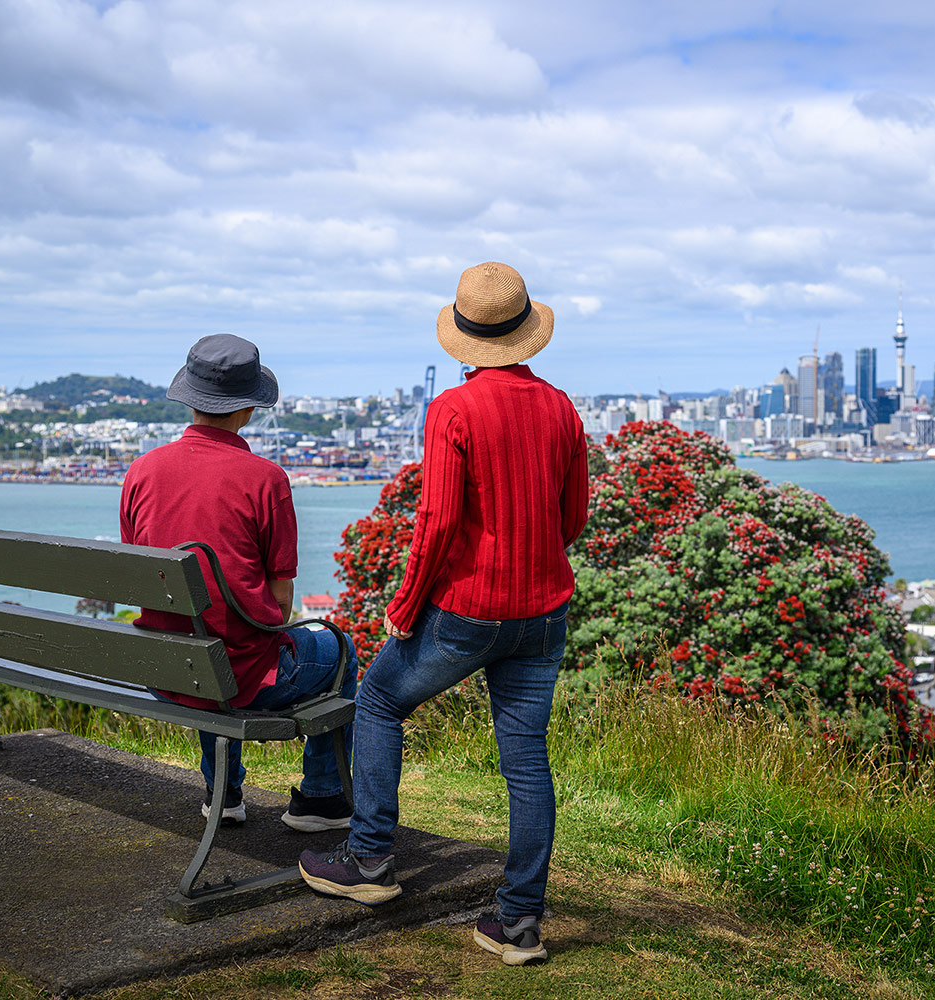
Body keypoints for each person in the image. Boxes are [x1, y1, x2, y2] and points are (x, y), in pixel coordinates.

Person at [299, 262, 589, 966]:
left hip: (469, 609)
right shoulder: (562, 408)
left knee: (376, 702)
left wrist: (404, 605)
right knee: (527, 762)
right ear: (526, 332)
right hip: (545, 612)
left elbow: (435, 520)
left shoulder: (454, 411)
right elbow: (572, 520)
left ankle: (369, 862)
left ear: (464, 336)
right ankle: (518, 924)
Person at [120, 333, 356, 832]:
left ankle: (222, 794)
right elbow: (280, 602)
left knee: (203, 637)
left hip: (169, 670)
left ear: (189, 398)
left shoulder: (141, 472)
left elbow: (138, 574)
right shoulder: (265, 479)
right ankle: (322, 798)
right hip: (236, 677)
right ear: (247, 409)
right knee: (341, 649)